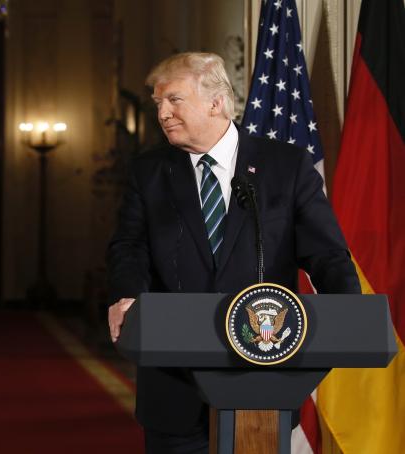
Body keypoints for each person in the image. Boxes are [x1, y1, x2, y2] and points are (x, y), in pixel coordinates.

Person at [106, 52, 360, 453]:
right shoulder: (150, 171)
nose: (163, 113)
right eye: (158, 104)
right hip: (175, 387)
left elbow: (326, 253)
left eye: (174, 100)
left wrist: (350, 312)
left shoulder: (285, 166)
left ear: (216, 102)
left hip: (262, 376)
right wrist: (127, 296)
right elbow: (129, 247)